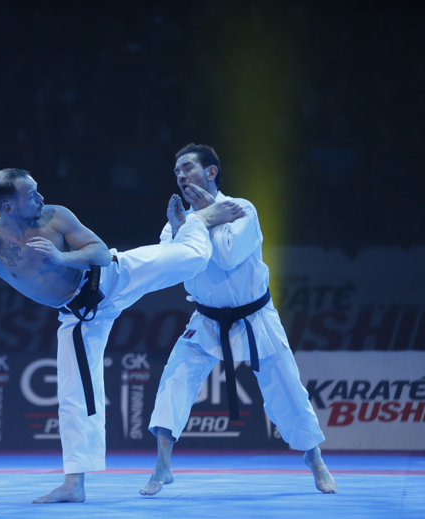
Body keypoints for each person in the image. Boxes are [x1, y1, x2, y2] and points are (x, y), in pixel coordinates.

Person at [0, 169, 244, 503]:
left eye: (37, 190)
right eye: (31, 194)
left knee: (193, 257)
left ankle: (199, 221)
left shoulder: (55, 216)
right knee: (74, 396)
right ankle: (74, 484)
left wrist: (61, 256)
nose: (40, 198)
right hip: (79, 316)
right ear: (8, 207)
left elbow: (99, 252)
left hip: (113, 276)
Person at [141, 143, 337, 497]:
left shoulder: (241, 208)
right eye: (177, 173)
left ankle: (315, 458)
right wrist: (195, 222)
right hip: (206, 319)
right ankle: (162, 465)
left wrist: (203, 216)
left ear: (211, 172)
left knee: (288, 389)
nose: (181, 176)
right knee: (174, 381)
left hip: (254, 316)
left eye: (188, 168)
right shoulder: (178, 223)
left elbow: (229, 256)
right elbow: (173, 265)